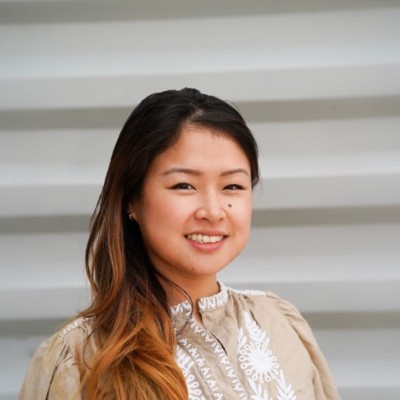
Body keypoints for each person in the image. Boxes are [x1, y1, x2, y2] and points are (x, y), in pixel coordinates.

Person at [19, 88, 340, 400]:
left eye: (232, 186)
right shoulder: (80, 358)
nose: (213, 211)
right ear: (132, 198)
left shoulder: (279, 323)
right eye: (184, 185)